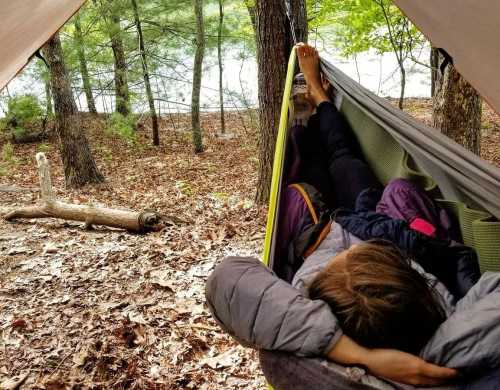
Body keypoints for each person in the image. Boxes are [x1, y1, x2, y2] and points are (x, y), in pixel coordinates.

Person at [205, 44, 500, 389]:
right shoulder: (457, 343)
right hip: (381, 226)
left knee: (308, 176)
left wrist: (355, 354)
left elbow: (228, 278)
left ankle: (306, 119)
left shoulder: (314, 361)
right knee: (345, 161)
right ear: (422, 294)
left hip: (321, 234)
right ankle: (320, 101)